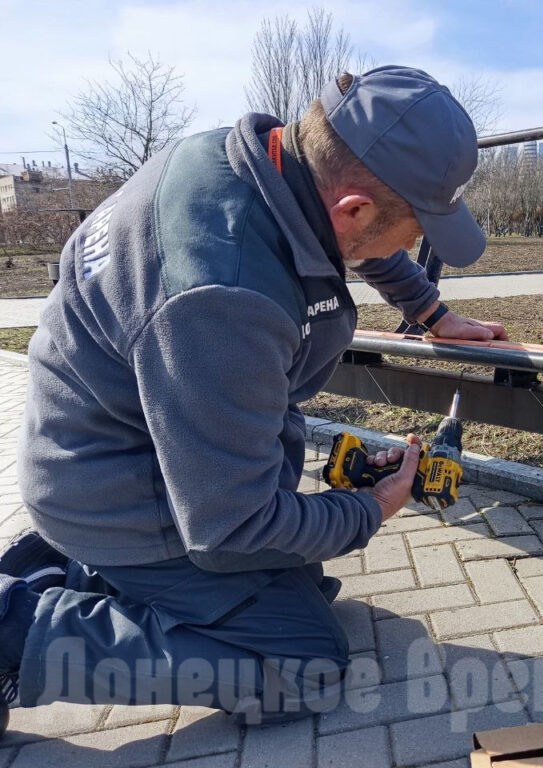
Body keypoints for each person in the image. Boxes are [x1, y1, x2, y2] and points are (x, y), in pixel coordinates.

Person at [0, 65, 506, 729]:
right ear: (352, 208)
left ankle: (67, 571)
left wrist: (429, 310)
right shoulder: (223, 298)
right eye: (416, 230)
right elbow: (229, 531)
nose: (412, 245)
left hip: (114, 455)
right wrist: (367, 511)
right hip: (126, 498)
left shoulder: (253, 162)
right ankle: (18, 634)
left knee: (305, 586)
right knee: (304, 665)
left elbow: (348, 229)